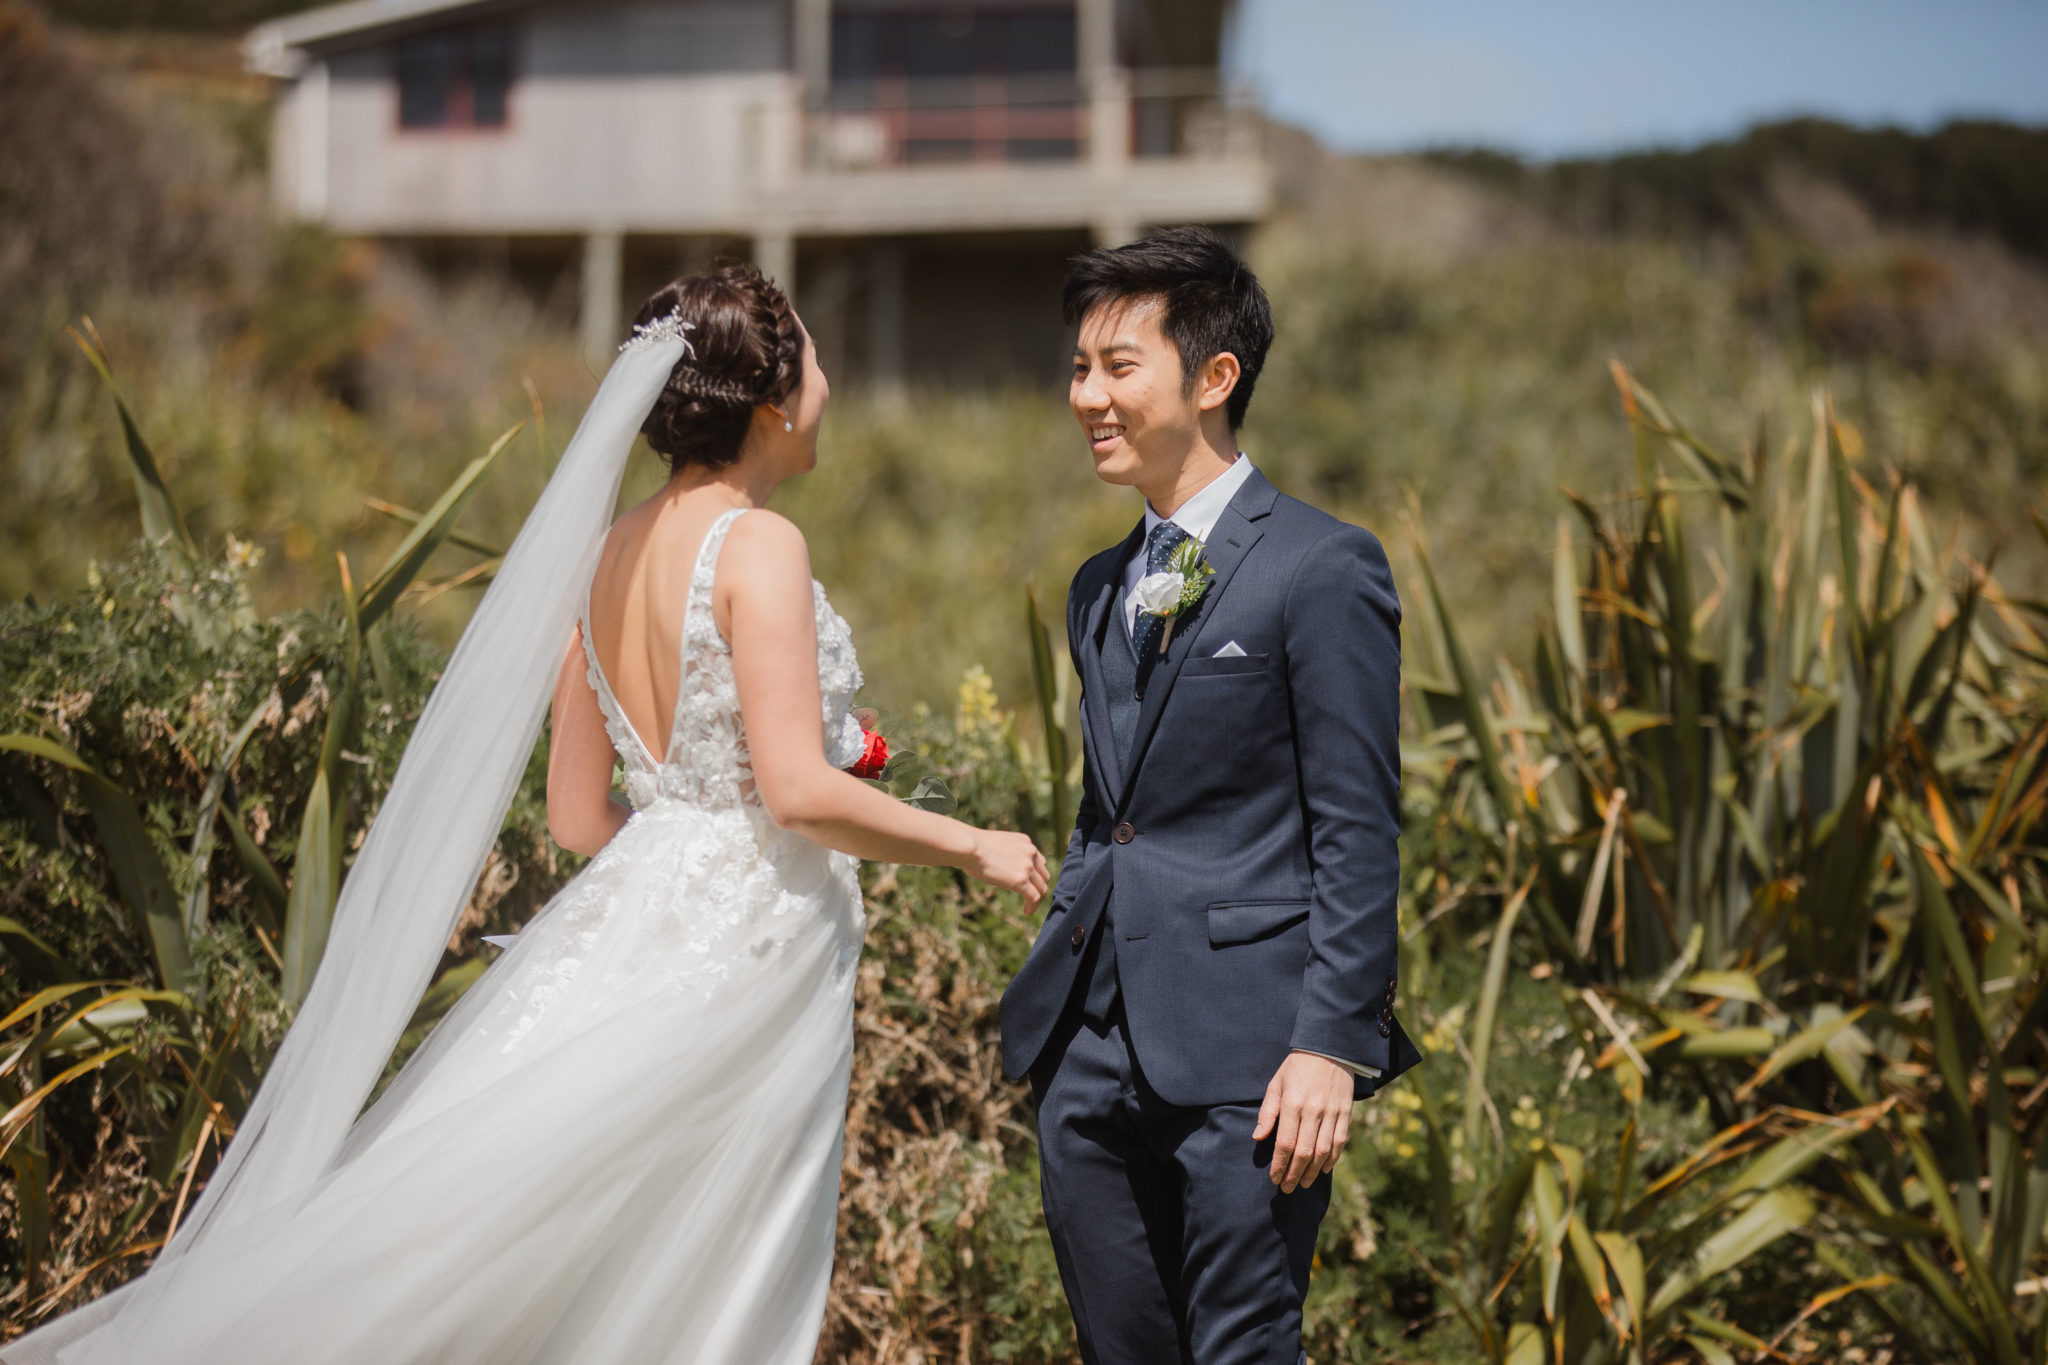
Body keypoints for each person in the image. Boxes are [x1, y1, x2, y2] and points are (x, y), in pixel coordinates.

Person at [6, 265, 1046, 1364]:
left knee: (548, 1243)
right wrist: (972, 843)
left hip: (637, 925)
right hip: (748, 953)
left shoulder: (604, 556)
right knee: (704, 1262)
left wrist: (675, 863)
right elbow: (793, 791)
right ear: (775, 398)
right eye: (819, 361)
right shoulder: (758, 545)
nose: (831, 385)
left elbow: (573, 814)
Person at [999, 227, 1421, 1365]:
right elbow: (1109, 812)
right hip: (1088, 1051)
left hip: (1254, 1060)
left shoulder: (1322, 566)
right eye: (1079, 367)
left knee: (1240, 1348)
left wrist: (1332, 1043)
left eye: (1117, 366)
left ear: (1213, 377)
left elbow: (1356, 823)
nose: (1086, 394)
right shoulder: (1099, 584)